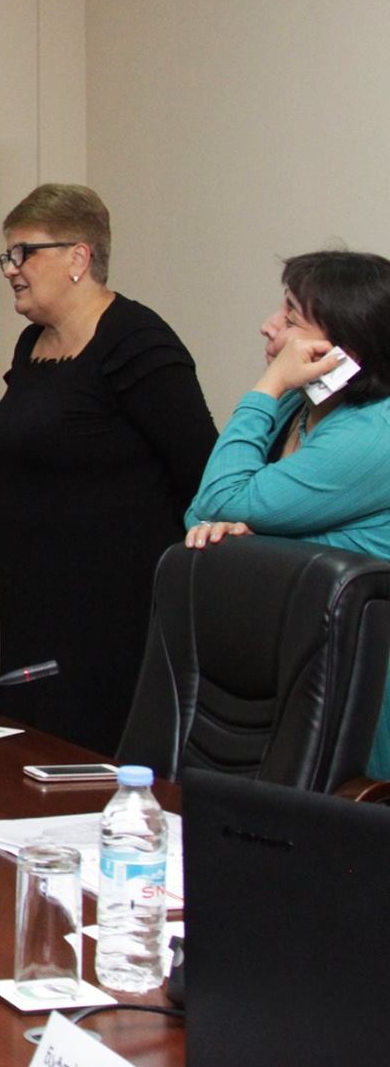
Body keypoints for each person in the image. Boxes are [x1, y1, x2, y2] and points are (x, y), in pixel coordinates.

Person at [0, 184, 216, 755]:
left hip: (113, 609)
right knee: (31, 758)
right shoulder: (33, 344)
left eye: (24, 252)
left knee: (93, 759)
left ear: (78, 257)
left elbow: (202, 469)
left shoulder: (137, 341)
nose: (10, 269)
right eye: (8, 254)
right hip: (33, 599)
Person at [177, 252, 390, 784]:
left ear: (343, 349)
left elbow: (222, 500)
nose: (269, 325)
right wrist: (242, 524)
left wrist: (268, 383)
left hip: (363, 689)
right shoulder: (300, 409)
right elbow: (201, 510)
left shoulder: (374, 434)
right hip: (297, 663)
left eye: (291, 317)